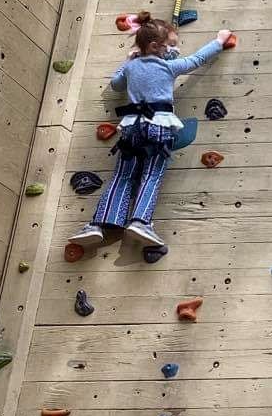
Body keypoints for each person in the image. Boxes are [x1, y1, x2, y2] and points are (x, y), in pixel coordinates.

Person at [70, 14, 232, 251]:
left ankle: (99, 223)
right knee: (152, 174)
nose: (175, 50)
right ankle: (140, 220)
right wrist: (219, 41)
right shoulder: (168, 66)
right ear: (156, 46)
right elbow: (197, 59)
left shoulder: (132, 67)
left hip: (132, 126)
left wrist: (128, 60)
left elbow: (115, 84)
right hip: (159, 125)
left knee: (123, 175)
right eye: (173, 45)